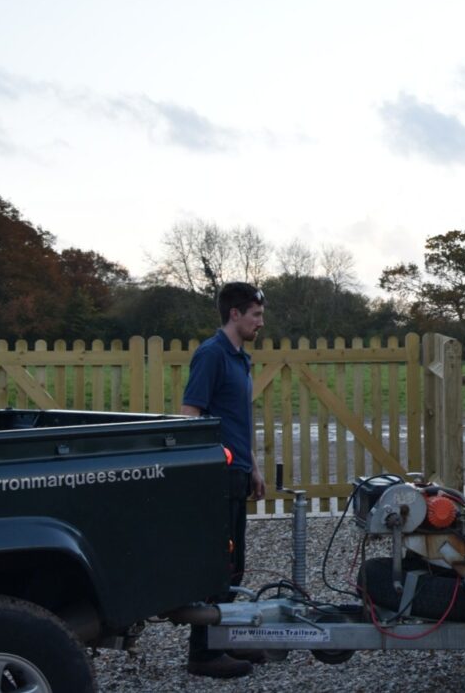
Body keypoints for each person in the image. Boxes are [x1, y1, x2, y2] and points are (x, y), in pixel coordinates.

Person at [180, 282, 267, 679]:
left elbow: (241, 419)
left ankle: (225, 639)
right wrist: (201, 471)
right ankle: (202, 654)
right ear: (235, 314)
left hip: (237, 472)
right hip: (216, 474)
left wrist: (253, 466)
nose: (260, 323)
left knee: (235, 566)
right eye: (255, 315)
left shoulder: (241, 359)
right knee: (215, 564)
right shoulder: (211, 354)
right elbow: (190, 414)